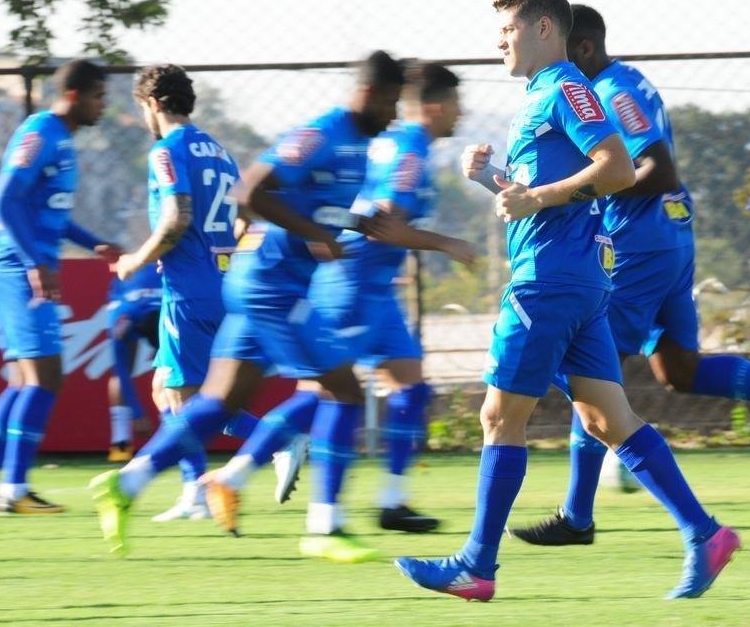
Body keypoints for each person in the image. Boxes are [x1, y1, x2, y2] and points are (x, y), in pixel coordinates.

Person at [395, 0, 739, 602]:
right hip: (575, 278)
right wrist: (493, 179)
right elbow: (538, 197)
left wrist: (537, 195)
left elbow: (614, 167)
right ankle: (704, 534)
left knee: (500, 416)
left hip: (549, 281)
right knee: (609, 418)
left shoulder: (566, 88)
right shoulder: (541, 95)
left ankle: (477, 564)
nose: (499, 41)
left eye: (508, 30)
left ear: (545, 29)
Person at [510, 5, 750, 547]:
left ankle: (578, 515)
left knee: (585, 369)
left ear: (579, 48)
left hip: (636, 244)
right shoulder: (623, 82)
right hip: (668, 236)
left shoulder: (609, 89)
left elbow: (656, 168)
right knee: (681, 369)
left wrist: (574, 192)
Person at [90, 51, 416, 561]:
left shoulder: (359, 146)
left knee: (217, 402)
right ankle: (324, 527)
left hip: (256, 282)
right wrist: (315, 236)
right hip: (270, 283)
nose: (396, 114)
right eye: (393, 101)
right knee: (344, 390)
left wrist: (363, 228)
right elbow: (251, 193)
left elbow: (325, 210)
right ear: (371, 93)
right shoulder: (323, 132)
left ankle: (126, 484)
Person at [208, 62, 475, 533]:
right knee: (327, 392)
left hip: (375, 290)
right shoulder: (408, 152)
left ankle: (393, 501)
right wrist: (447, 243)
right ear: (435, 106)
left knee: (412, 389)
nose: (462, 112)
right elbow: (384, 225)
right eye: (456, 103)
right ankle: (237, 475)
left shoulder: (399, 145)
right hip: (351, 284)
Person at [0, 59, 118, 514]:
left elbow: (49, 213)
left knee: (23, 380)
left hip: (17, 267)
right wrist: (36, 264)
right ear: (73, 95)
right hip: (15, 268)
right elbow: (2, 201)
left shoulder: (59, 138)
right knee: (46, 378)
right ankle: (16, 489)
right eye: (98, 96)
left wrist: (95, 244)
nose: (103, 105)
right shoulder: (42, 133)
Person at [110, 64, 260, 522]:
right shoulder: (218, 150)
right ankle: (196, 489)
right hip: (220, 282)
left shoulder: (166, 151)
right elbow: (246, 214)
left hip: (186, 288)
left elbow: (175, 219)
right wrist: (220, 252)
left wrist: (137, 258)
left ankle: (275, 439)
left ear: (152, 103)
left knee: (183, 396)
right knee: (166, 389)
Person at [105, 262, 161, 462]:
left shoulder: (176, 313)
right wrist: (138, 415)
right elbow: (121, 372)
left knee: (175, 365)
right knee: (124, 367)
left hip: (158, 285)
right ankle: (120, 442)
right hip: (123, 292)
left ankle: (176, 429)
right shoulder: (120, 321)